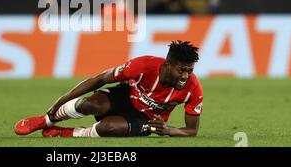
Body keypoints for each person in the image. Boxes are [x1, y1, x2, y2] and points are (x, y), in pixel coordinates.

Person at [15, 41, 203, 138]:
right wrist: (62, 100)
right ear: (168, 64)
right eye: (181, 70)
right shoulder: (143, 65)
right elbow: (100, 79)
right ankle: (46, 120)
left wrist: (168, 130)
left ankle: (68, 133)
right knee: (90, 104)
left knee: (108, 127)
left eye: (189, 70)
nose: (185, 76)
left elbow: (191, 131)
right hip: (125, 96)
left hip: (148, 119)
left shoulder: (193, 89)